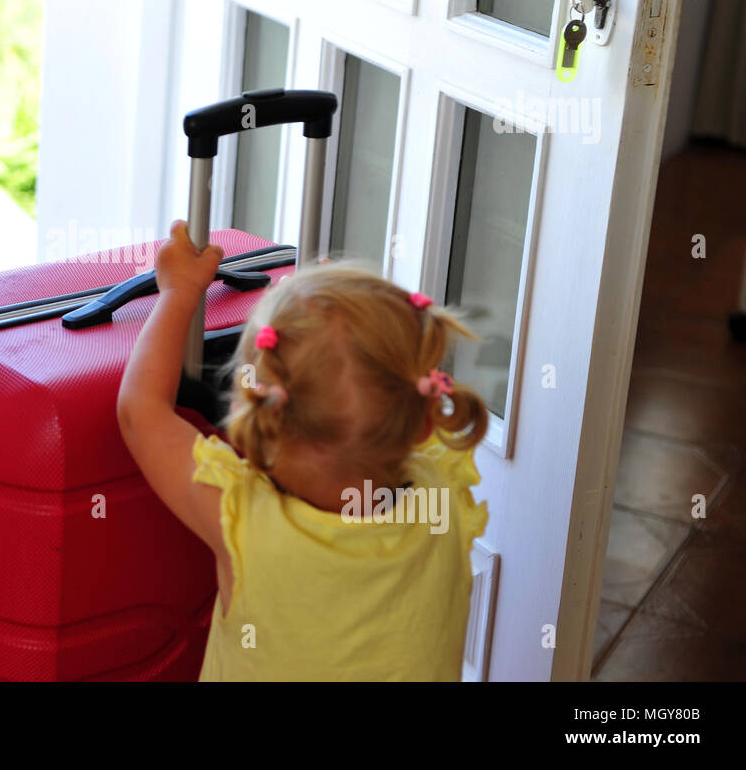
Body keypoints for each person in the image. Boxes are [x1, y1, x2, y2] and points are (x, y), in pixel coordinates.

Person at [116, 221, 490, 680]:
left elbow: (140, 411)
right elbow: (381, 394)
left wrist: (178, 292)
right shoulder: (444, 496)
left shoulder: (243, 522)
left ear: (261, 418)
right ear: (424, 417)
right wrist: (340, 323)